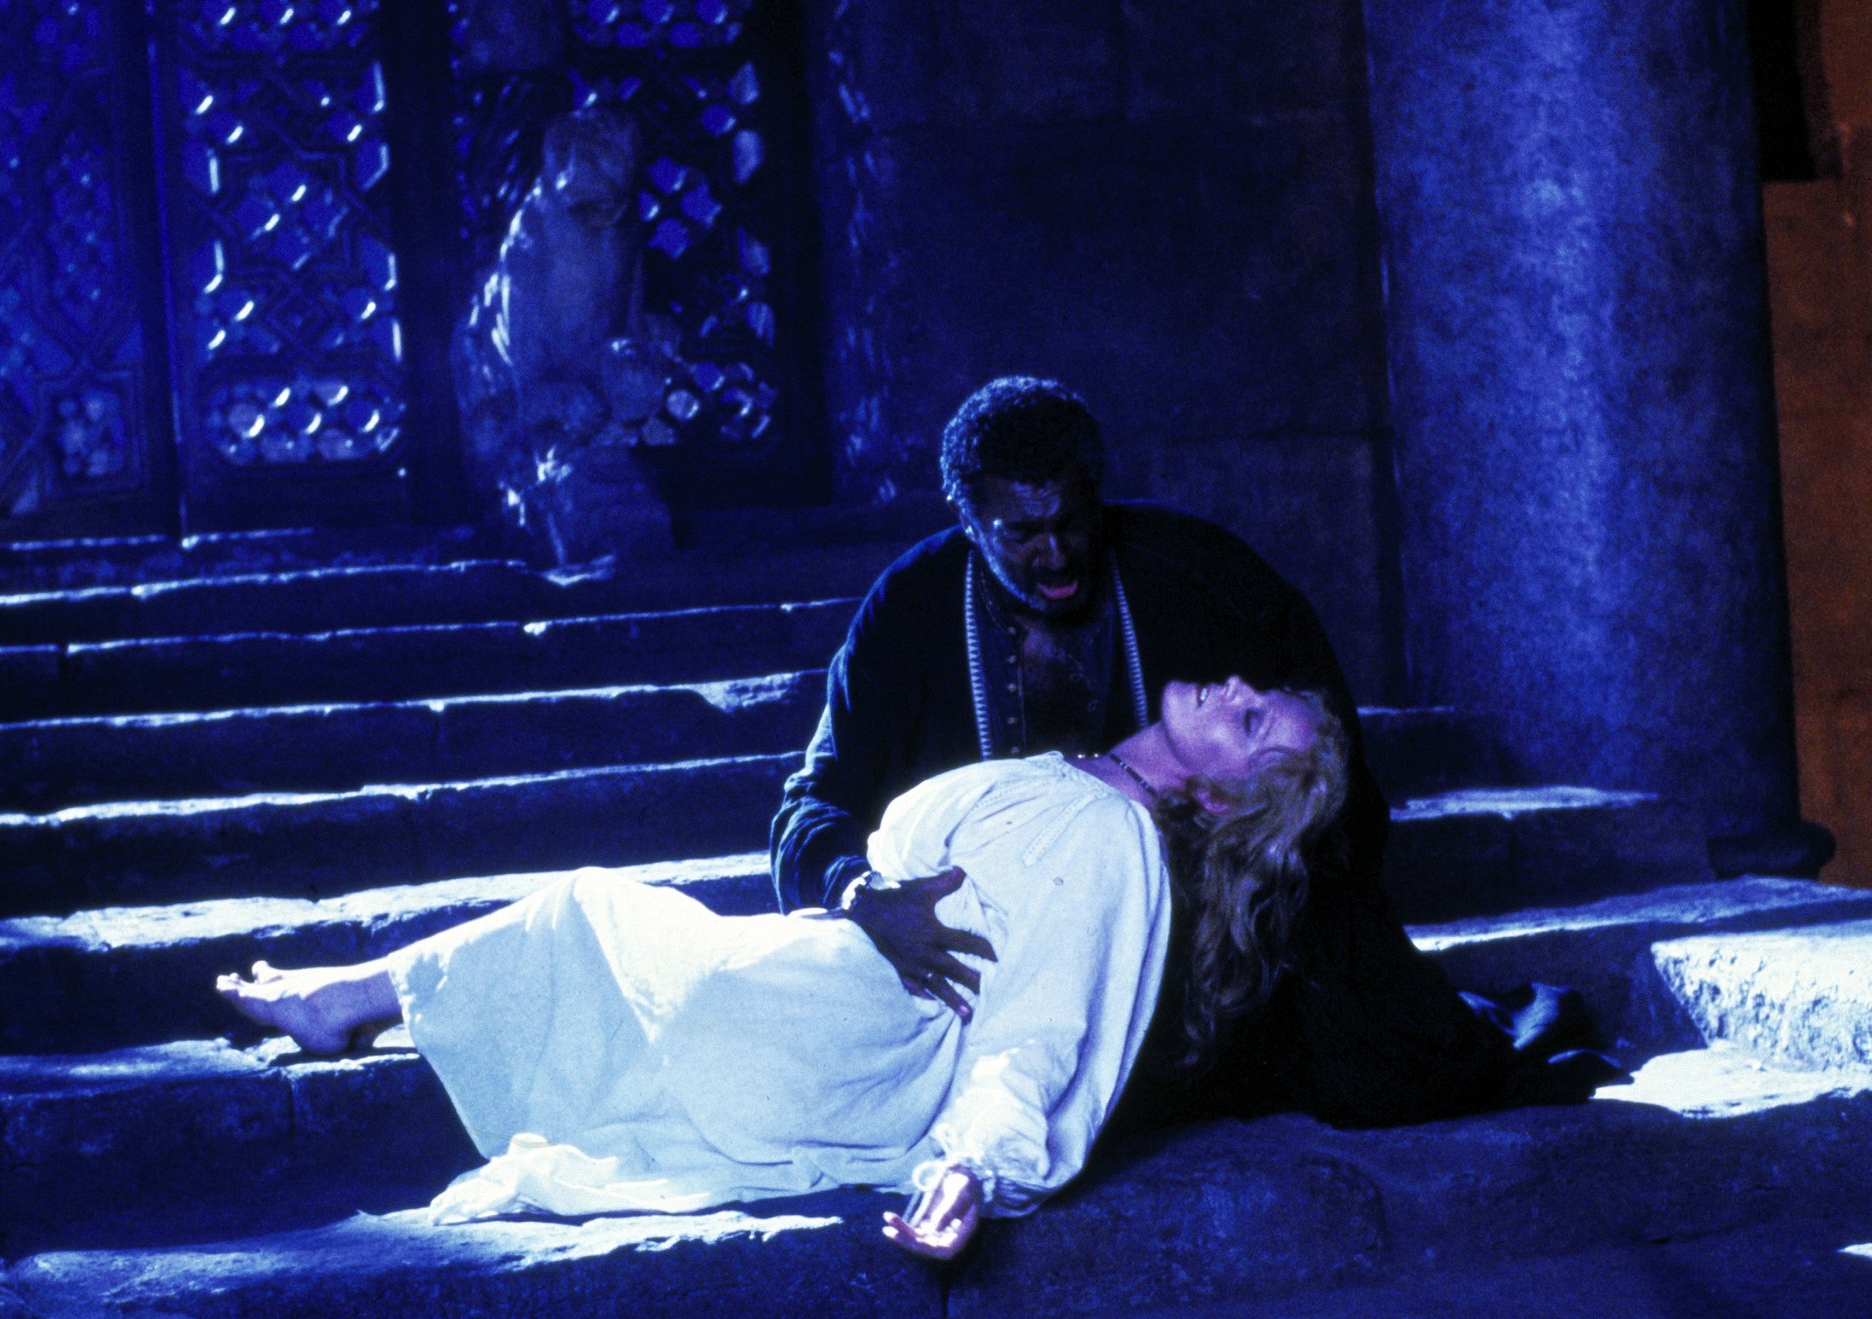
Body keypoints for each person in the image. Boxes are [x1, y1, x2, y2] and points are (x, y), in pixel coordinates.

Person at [218, 678, 1347, 1260]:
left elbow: (1041, 1030)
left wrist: (967, 1170)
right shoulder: (1084, 782)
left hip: (847, 1033)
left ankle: (337, 999)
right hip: (823, 993)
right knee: (592, 915)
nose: (1231, 687)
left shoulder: (1109, 840)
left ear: (1221, 801)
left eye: (1254, 723)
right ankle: (342, 997)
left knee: (588, 908)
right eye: (1253, 693)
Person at [772, 375, 1532, 1132]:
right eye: (1021, 533)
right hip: (983, 984)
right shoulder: (905, 614)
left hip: (1200, 971)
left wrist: (1219, 917)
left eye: (1072, 521)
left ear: (1097, 493)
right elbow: (813, 806)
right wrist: (857, 892)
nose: (1056, 553)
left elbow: (1334, 793)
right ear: (965, 518)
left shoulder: (1209, 577)